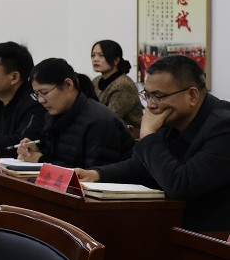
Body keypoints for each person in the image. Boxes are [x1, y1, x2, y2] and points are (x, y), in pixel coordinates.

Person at [81, 55, 230, 230]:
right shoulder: (172, 119)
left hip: (214, 235)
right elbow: (142, 167)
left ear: (192, 95)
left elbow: (181, 185)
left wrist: (148, 135)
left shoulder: (223, 126)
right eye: (148, 95)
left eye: (158, 96)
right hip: (176, 224)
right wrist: (96, 174)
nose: (151, 105)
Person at [15, 58, 132, 168]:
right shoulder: (52, 117)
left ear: (68, 85)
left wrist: (41, 160)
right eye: (37, 94)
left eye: (44, 92)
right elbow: (59, 159)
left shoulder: (99, 122)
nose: (41, 100)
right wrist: (36, 150)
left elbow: (94, 175)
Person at [91, 39, 143, 136]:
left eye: (101, 55)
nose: (95, 59)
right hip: (103, 132)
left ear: (116, 60)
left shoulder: (123, 84)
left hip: (128, 136)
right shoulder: (96, 80)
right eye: (93, 55)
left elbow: (111, 117)